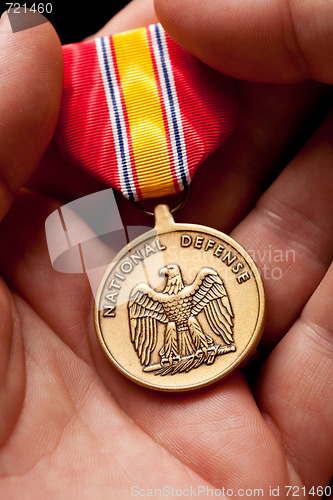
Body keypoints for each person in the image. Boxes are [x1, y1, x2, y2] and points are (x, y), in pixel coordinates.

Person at [0, 0, 332, 497]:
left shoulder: (198, 285)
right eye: (170, 278)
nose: (173, 278)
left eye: (173, 278)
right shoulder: (149, 296)